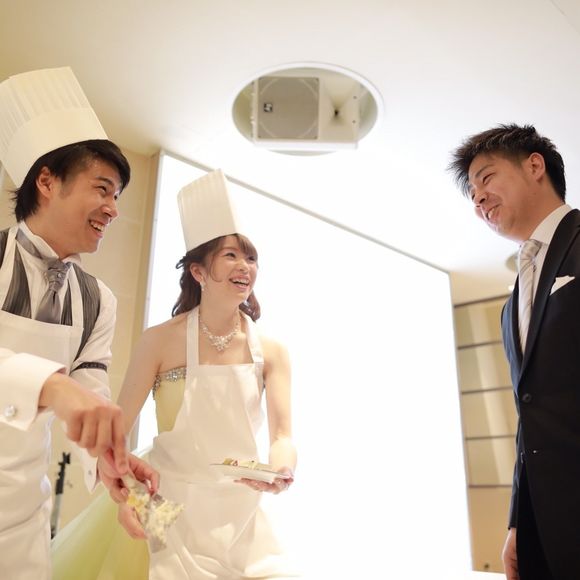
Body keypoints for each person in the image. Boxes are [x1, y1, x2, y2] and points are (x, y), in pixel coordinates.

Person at [51, 169, 298, 579]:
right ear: (198, 272)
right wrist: (129, 499)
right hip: (164, 506)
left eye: (251, 257)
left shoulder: (272, 352)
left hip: (241, 516)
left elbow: (282, 437)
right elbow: (117, 432)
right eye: (231, 255)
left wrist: (282, 469)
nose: (245, 266)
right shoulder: (159, 341)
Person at [0, 67, 158, 580]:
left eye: (118, 198)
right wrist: (53, 387)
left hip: (22, 521)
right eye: (103, 190)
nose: (113, 209)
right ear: (47, 181)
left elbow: (90, 396)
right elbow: (68, 393)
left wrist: (111, 462)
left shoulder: (97, 301)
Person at [449, 123, 580, 580]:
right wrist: (517, 521)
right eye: (472, 193)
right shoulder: (512, 304)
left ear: (535, 166)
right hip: (544, 524)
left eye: (486, 178)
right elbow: (532, 416)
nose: (478, 199)